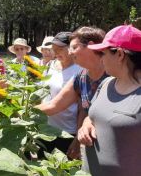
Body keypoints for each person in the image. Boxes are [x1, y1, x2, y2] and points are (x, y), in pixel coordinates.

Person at [35, 26, 107, 159]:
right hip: (89, 144)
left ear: (90, 46)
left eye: (74, 47)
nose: (71, 52)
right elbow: (53, 106)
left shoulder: (112, 75)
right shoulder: (81, 77)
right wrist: (22, 111)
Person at [78, 25, 141, 175]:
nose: (100, 59)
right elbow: (94, 116)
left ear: (119, 54)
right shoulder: (106, 84)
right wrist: (86, 125)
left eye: (102, 53)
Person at [38, 32, 81, 157]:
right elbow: (42, 92)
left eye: (60, 49)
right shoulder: (50, 65)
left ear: (71, 48)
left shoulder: (79, 71)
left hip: (66, 131)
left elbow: (82, 108)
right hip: (46, 128)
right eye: (54, 49)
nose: (56, 53)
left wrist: (77, 139)